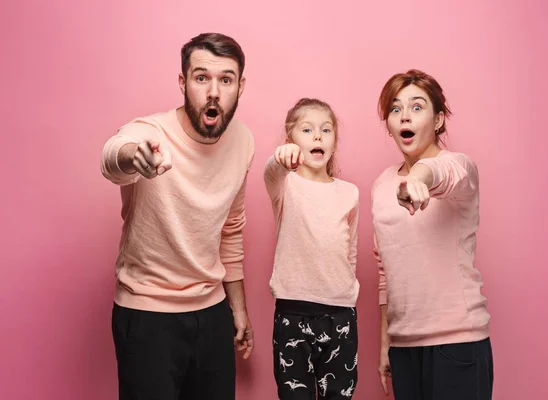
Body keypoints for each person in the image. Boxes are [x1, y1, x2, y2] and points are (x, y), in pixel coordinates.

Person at [100, 32, 254, 400]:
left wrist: (239, 309)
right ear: (183, 83)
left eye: (226, 79)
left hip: (212, 312)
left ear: (240, 86)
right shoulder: (150, 133)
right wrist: (134, 156)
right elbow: (112, 157)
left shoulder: (243, 141)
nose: (214, 91)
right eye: (202, 78)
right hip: (147, 312)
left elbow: (230, 230)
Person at [372, 69, 494, 400]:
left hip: (457, 344)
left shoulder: (460, 167)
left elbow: (443, 172)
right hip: (403, 347)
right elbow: (387, 271)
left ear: (438, 120)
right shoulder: (381, 186)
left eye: (416, 106)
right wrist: (386, 343)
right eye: (395, 109)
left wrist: (419, 179)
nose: (404, 116)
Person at [264, 98, 360, 399]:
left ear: (334, 141)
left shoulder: (349, 193)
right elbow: (270, 173)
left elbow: (350, 252)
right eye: (307, 130)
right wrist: (280, 158)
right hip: (293, 313)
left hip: (340, 314)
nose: (317, 136)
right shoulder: (285, 185)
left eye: (326, 130)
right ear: (291, 139)